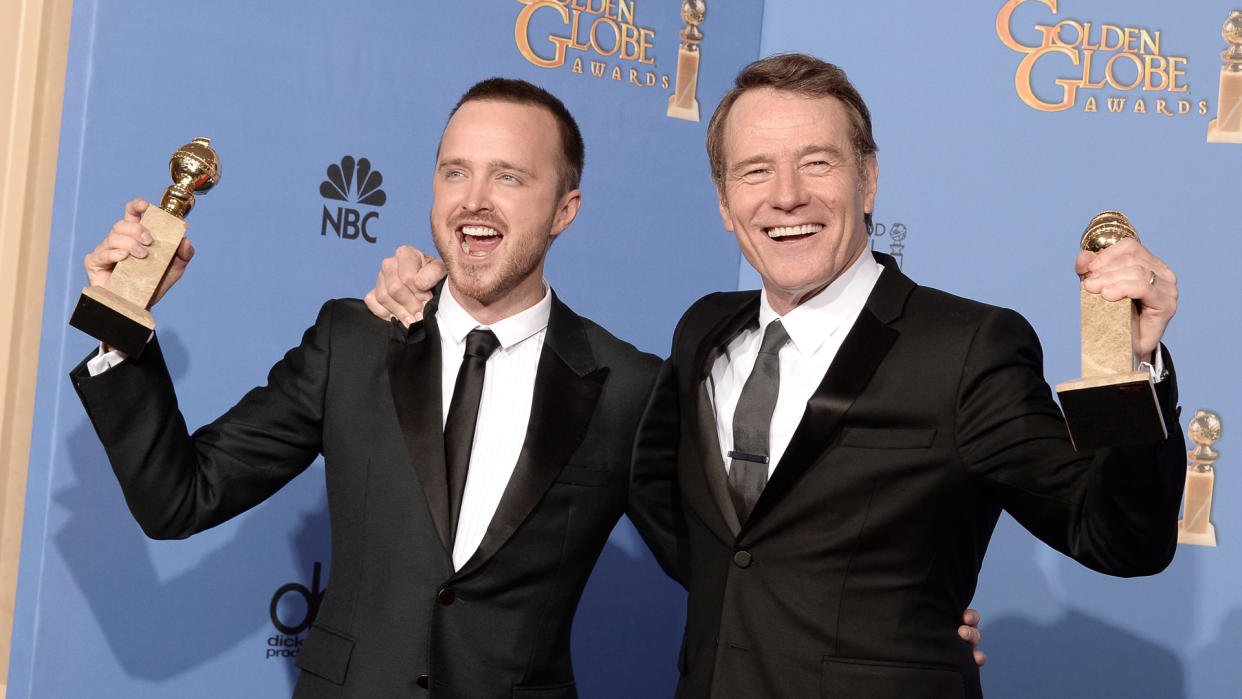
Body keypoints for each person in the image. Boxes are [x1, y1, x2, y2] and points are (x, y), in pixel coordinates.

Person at [366, 54, 1184, 698]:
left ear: (868, 178)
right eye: (754, 170)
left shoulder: (967, 344)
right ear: (724, 201)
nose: (785, 196)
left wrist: (1132, 367)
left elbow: (1121, 537)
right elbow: (708, 540)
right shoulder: (702, 331)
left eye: (817, 163)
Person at [70, 78, 682, 697]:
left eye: (508, 177)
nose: (473, 200)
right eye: (455, 172)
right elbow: (180, 499)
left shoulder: (627, 387)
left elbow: (723, 572)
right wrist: (121, 324)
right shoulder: (353, 341)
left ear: (565, 209)